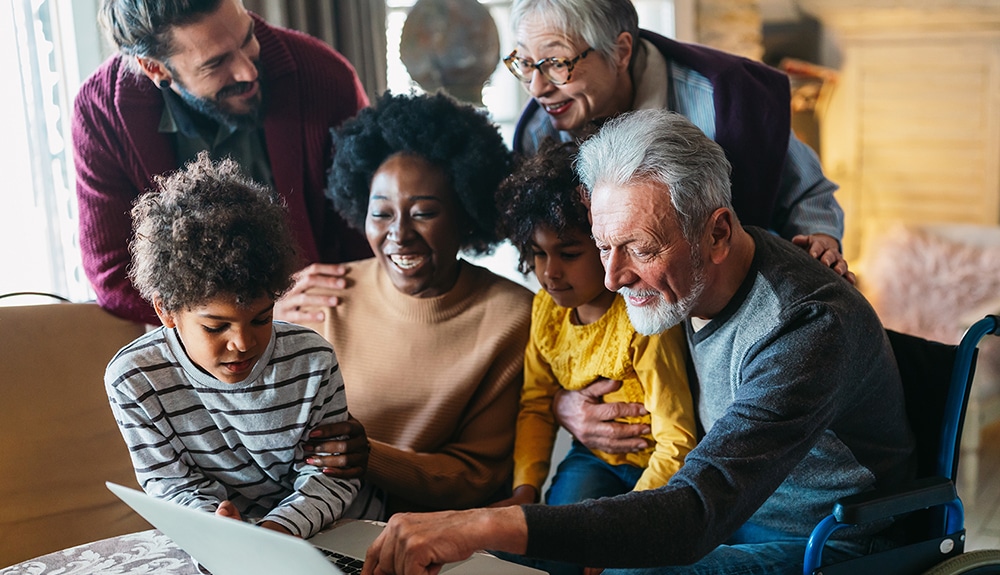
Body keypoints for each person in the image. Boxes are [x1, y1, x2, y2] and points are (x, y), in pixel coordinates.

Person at [360, 110, 915, 575]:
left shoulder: (806, 326)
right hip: (730, 514)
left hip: (827, 540)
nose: (611, 278)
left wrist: (477, 521)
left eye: (639, 249)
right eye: (603, 247)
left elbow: (695, 512)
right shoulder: (688, 277)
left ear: (718, 233)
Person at [298, 91, 533, 519]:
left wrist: (370, 458)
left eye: (423, 213)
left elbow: (477, 477)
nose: (399, 234)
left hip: (432, 538)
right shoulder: (324, 294)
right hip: (311, 524)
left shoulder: (512, 317)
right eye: (382, 213)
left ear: (465, 214)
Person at [504, 0, 853, 284]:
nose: (537, 88)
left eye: (556, 64)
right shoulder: (538, 133)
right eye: (525, 63)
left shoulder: (724, 102)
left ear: (621, 51)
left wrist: (820, 241)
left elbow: (807, 192)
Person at [105, 152, 358, 538]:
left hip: (328, 532)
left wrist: (275, 533)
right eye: (215, 326)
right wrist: (222, 532)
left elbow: (333, 477)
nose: (242, 343)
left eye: (261, 318)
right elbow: (170, 485)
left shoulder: (312, 360)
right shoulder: (135, 380)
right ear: (167, 311)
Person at [73, 0, 372, 327]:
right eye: (216, 64)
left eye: (247, 39)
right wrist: (253, 310)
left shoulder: (326, 77)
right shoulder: (99, 115)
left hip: (325, 326)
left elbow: (368, 233)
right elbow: (111, 272)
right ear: (156, 68)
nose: (249, 71)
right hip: (194, 347)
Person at [493, 139, 696, 511]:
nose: (550, 272)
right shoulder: (546, 311)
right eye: (538, 254)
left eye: (569, 254)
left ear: (605, 245)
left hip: (659, 471)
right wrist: (524, 489)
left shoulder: (641, 317)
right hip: (593, 458)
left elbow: (678, 442)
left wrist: (625, 527)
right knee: (557, 543)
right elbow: (536, 403)